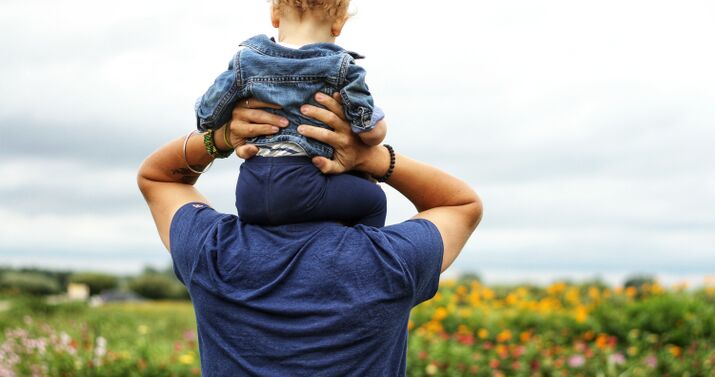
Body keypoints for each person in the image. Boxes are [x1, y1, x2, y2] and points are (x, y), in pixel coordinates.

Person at [137, 92, 483, 376]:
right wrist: (373, 158)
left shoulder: (213, 251)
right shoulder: (391, 262)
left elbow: (159, 178)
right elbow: (460, 205)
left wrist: (222, 138)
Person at [195, 0, 388, 228]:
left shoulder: (245, 61)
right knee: (373, 199)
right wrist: (377, 123)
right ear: (338, 24)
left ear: (274, 14)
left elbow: (207, 117)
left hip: (250, 190)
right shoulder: (342, 67)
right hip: (305, 185)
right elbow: (369, 132)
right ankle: (360, 260)